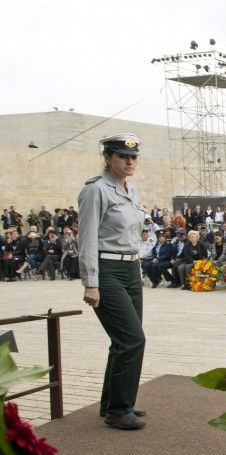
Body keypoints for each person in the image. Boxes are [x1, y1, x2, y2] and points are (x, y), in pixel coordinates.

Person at [78, 134, 148, 429]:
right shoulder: (96, 191)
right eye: (122, 156)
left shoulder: (130, 190)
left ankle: (115, 402)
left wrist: (138, 270)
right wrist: (90, 282)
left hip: (131, 269)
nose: (129, 162)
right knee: (132, 339)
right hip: (107, 270)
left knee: (123, 340)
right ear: (108, 158)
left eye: (133, 157)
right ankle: (119, 411)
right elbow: (87, 238)